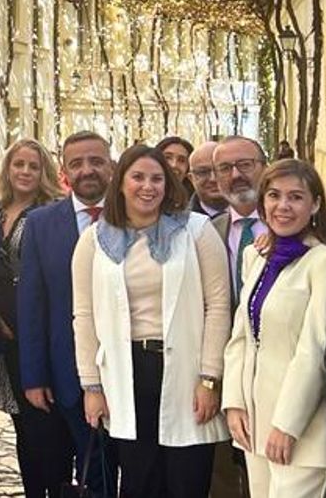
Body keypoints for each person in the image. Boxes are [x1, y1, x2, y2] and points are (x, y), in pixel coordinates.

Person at [73, 143, 231, 498]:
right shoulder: (94, 240)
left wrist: (209, 378)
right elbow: (83, 316)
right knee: (140, 480)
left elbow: (218, 305)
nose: (149, 186)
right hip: (127, 374)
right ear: (120, 182)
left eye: (157, 178)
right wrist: (91, 387)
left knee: (186, 478)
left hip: (187, 373)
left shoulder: (196, 231)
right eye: (138, 177)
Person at [222, 158, 326, 498]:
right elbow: (240, 338)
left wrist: (287, 425)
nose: (283, 206)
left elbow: (314, 350)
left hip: (301, 432)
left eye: (296, 197)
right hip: (253, 425)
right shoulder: (255, 257)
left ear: (315, 204)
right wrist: (233, 403)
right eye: (274, 195)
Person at [18, 134, 116, 497]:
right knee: (83, 471)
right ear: (64, 171)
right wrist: (33, 376)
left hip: (128, 367)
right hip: (66, 370)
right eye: (76, 163)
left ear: (111, 166)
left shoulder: (135, 213)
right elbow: (31, 304)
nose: (87, 170)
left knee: (130, 469)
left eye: (96, 160)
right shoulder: (41, 223)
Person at [0, 138, 69, 497]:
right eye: (18, 164)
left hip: (37, 334)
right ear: (7, 169)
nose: (24, 172)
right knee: (22, 425)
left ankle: (57, 489)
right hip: (1, 336)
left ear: (45, 172)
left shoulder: (52, 212)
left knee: (49, 426)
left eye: (33, 166)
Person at [211, 136, 268, 299]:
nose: (235, 175)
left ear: (265, 168)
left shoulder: (294, 225)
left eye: (245, 165)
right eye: (225, 168)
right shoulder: (211, 230)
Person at [189, 140, 226, 216]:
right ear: (191, 178)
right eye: (203, 172)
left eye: (221, 170)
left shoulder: (254, 213)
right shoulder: (178, 224)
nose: (213, 179)